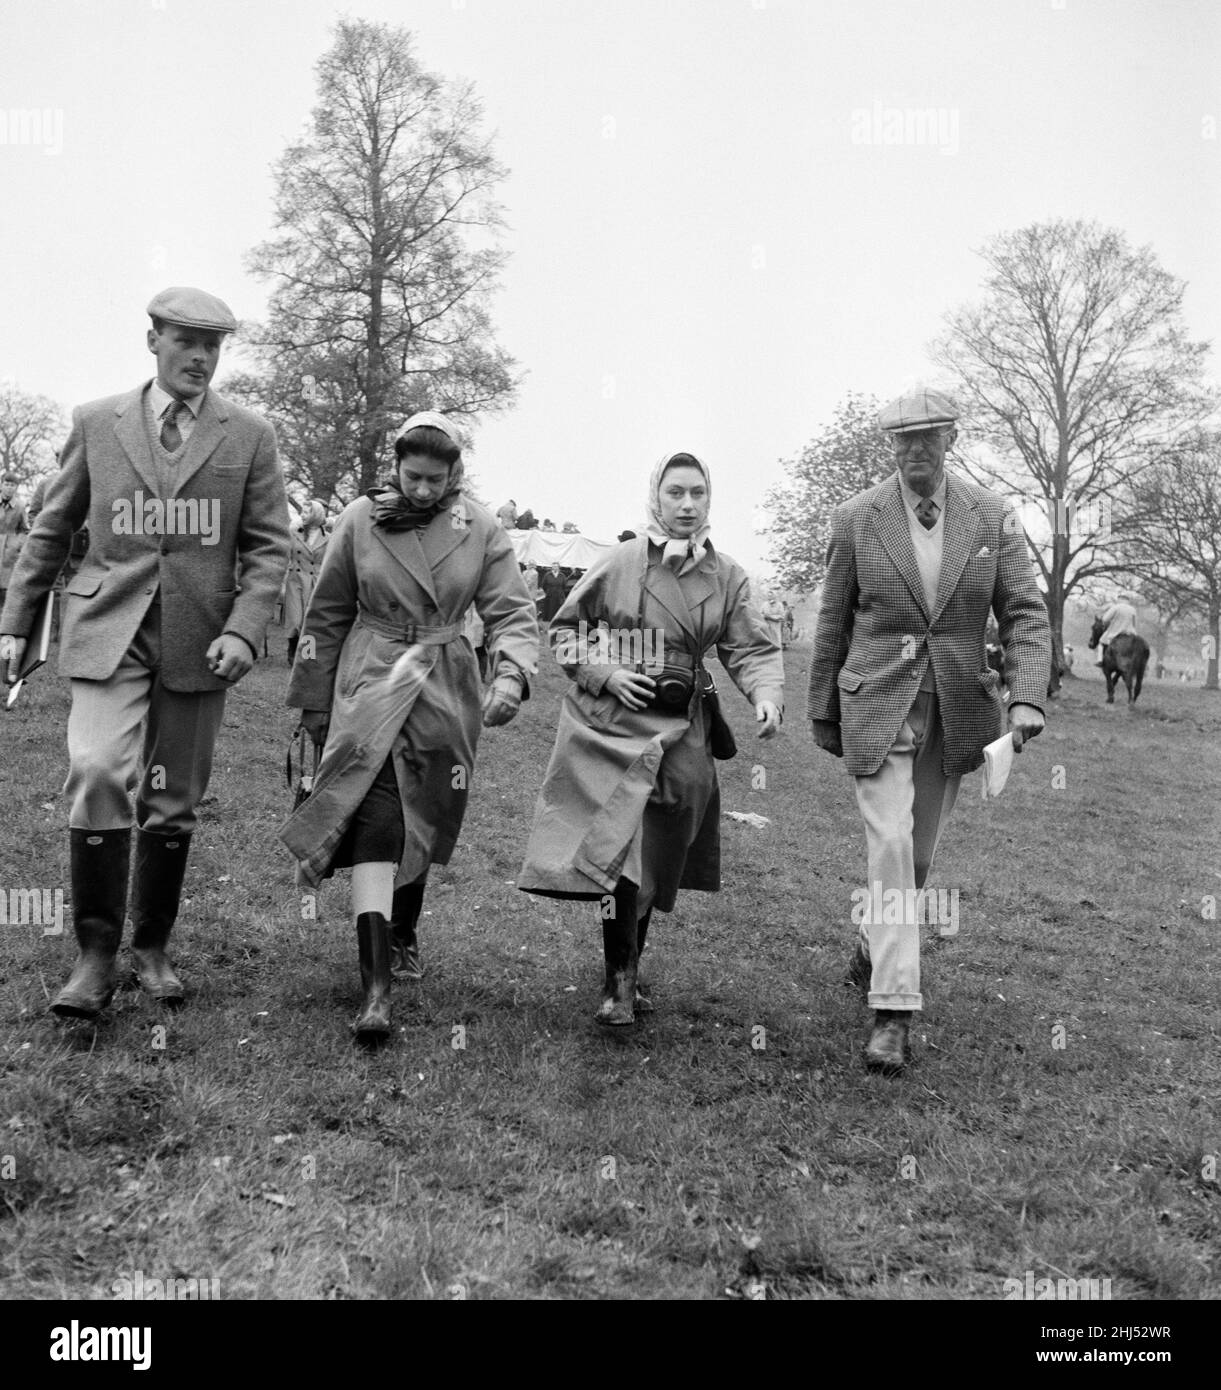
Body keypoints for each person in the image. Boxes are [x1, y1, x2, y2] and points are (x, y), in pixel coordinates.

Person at [0, 287, 290, 1019]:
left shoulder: (249, 435)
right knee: (96, 770)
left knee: (172, 799)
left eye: (213, 345)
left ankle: (152, 944)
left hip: (201, 641)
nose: (200, 357)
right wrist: (16, 618)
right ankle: (95, 955)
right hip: (106, 628)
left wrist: (245, 628)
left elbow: (267, 548)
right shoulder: (97, 423)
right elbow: (52, 527)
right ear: (153, 340)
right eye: (186, 341)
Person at [807, 389, 1050, 1074]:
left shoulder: (991, 516)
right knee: (887, 843)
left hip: (955, 709)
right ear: (890, 446)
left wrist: (1025, 697)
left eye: (927, 437)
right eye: (901, 440)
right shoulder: (856, 518)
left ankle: (870, 939)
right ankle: (892, 1010)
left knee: (913, 860)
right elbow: (833, 622)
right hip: (876, 701)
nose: (914, 450)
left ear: (950, 438)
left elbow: (1024, 613)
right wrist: (823, 708)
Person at [280, 411, 539, 1043]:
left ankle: (403, 931)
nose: (422, 490)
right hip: (370, 676)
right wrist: (314, 700)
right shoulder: (358, 519)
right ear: (396, 466)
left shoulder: (479, 527)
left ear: (455, 474)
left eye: (436, 478)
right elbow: (328, 611)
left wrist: (509, 677)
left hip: (444, 685)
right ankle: (376, 987)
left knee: (424, 809)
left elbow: (511, 612)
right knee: (374, 811)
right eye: (412, 476)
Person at [518, 451, 783, 1025]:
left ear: (709, 500)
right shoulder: (620, 562)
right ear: (656, 498)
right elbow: (565, 630)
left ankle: (630, 967)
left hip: (684, 726)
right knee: (623, 846)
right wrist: (604, 672)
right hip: (615, 721)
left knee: (663, 841)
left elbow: (751, 647)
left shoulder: (728, 575)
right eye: (675, 494)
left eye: (697, 494)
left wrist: (765, 693)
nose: (686, 505)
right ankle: (620, 982)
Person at [282, 499, 330, 664]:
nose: (302, 515)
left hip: (316, 582)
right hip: (295, 581)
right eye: (302, 511)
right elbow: (283, 556)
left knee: (310, 621)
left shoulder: (329, 538)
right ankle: (292, 650)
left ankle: (308, 654)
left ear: (316, 514)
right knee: (295, 620)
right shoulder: (293, 534)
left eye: (306, 512)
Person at [0, 472, 30, 610]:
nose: (9, 488)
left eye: (12, 485)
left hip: (9, 552)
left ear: (16, 488)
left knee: (5, 588)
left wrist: (17, 544)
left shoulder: (20, 506)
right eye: (6, 484)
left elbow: (25, 529)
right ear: (1, 485)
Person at [1096, 593, 1137, 667]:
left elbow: (1105, 619)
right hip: (1130, 633)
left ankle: (1100, 661)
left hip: (1115, 632)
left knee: (1101, 643)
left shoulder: (1116, 607)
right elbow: (1134, 624)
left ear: (1120, 598)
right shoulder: (1133, 609)